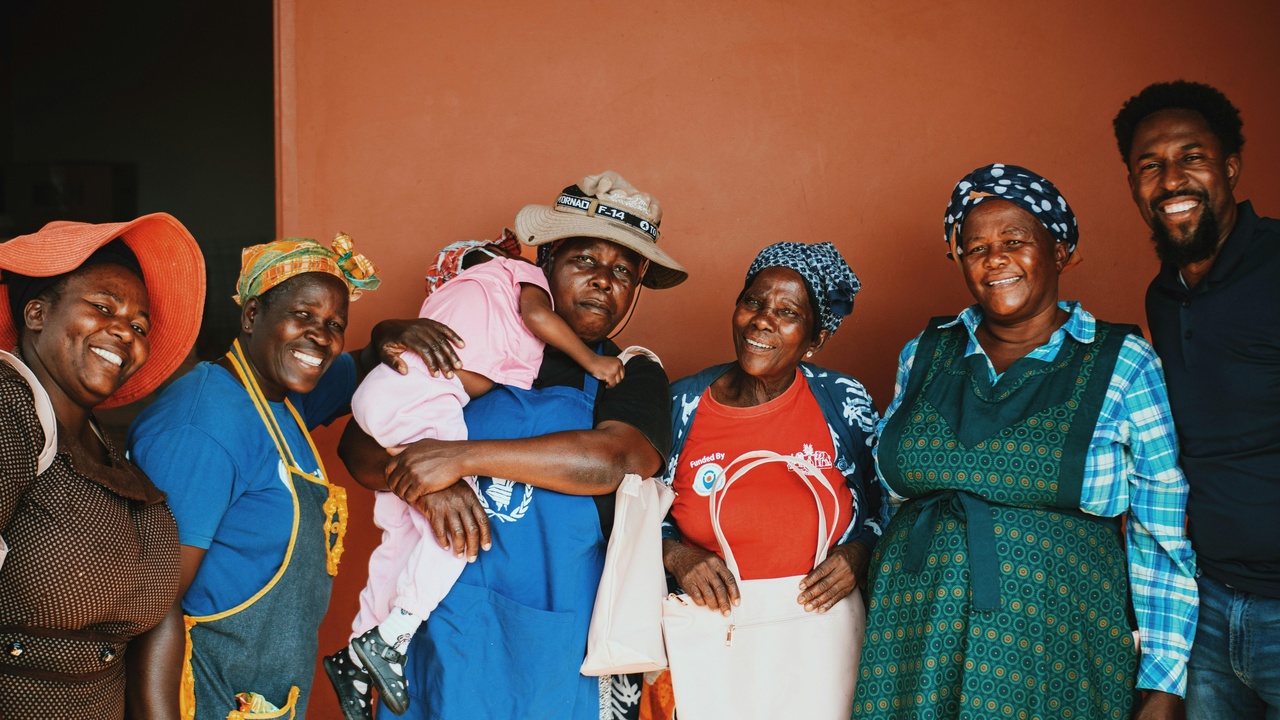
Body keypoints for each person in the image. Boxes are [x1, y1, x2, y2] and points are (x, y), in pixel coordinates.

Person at [852, 164, 1198, 720]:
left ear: (1060, 251)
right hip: (914, 633)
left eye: (1014, 241)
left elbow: (1160, 532)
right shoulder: (923, 353)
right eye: (974, 247)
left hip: (1053, 640)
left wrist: (1165, 682)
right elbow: (887, 499)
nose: (994, 259)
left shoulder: (1122, 363)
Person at [338, 170, 686, 720]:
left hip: (557, 644)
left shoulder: (629, 373)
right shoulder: (479, 342)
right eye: (585, 261)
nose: (603, 281)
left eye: (622, 271)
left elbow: (613, 459)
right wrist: (431, 493)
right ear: (544, 264)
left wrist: (459, 460)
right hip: (446, 629)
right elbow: (359, 448)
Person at [127, 234, 453, 719]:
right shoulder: (203, 426)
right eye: (303, 316)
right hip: (203, 695)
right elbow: (152, 607)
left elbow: (363, 364)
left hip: (262, 697)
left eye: (334, 324)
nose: (320, 337)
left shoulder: (284, 399)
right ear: (252, 315)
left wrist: (388, 329)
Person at [656, 241, 880, 718]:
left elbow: (890, 504)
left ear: (814, 338)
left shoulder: (842, 400)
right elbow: (636, 515)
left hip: (821, 632)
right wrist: (676, 555)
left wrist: (859, 553)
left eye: (787, 312)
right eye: (753, 302)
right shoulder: (681, 406)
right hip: (715, 635)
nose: (762, 320)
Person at [1114, 80, 1280, 719]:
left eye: (1192, 157)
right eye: (1150, 165)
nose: (1171, 178)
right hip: (1207, 606)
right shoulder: (1166, 292)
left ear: (1231, 166)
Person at [0, 214, 204, 719]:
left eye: (139, 325)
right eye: (102, 307)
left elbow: (157, 619)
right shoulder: (9, 409)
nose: (124, 331)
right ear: (36, 314)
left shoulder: (107, 455)